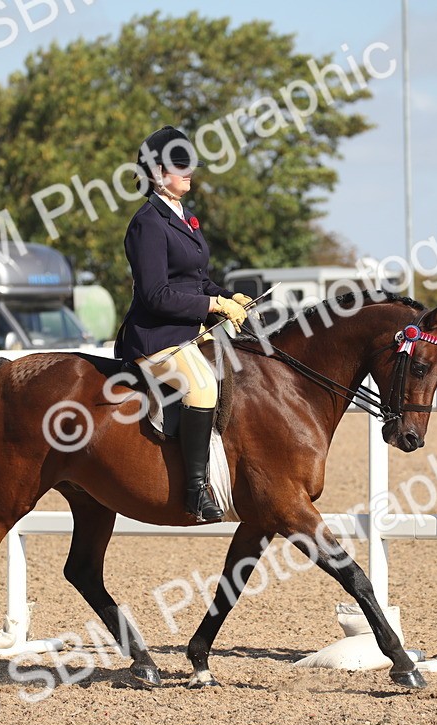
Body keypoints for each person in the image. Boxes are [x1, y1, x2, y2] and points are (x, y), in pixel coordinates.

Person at [113, 126, 252, 522]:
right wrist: (211, 303)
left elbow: (195, 277)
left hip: (188, 333)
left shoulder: (184, 217)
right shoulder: (147, 223)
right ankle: (195, 492)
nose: (190, 172)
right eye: (180, 166)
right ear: (157, 173)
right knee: (203, 387)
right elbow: (156, 294)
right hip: (155, 339)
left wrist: (227, 297)